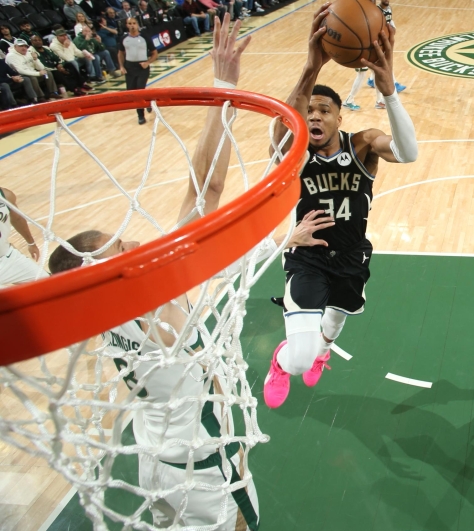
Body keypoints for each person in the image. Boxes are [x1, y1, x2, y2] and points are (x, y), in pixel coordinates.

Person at [47, 14, 334, 528]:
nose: (134, 242)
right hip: (200, 463)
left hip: (152, 453)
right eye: (120, 246)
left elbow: (201, 195)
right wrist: (225, 87)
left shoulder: (99, 310)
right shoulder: (155, 292)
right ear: (103, 267)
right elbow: (206, 191)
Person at [262, 2, 418, 409]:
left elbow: (408, 152)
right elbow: (281, 130)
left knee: (330, 329)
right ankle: (280, 363)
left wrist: (388, 88)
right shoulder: (295, 154)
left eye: (323, 110)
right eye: (309, 111)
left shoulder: (362, 143)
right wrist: (311, 67)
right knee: (299, 359)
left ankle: (324, 350)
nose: (313, 116)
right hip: (307, 257)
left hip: (351, 256)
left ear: (338, 120)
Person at [0, 187, 46, 287]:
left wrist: (31, 243)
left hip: (7, 257)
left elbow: (17, 219)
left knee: (49, 284)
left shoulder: (5, 195)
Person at [363, 0, 405, 109]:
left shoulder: (389, 8)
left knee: (381, 68)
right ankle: (379, 100)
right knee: (381, 69)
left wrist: (392, 28)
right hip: (376, 44)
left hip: (383, 42)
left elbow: (390, 21)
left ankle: (378, 93)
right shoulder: (376, 11)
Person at [117, 17, 157, 124]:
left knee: (139, 90)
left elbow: (155, 53)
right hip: (129, 67)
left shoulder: (144, 37)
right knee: (132, 92)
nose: (132, 25)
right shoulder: (124, 38)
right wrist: (121, 66)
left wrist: (148, 62)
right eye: (129, 23)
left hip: (142, 67)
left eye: (134, 23)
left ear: (137, 25)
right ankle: (148, 101)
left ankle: (141, 116)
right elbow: (120, 53)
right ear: (126, 25)